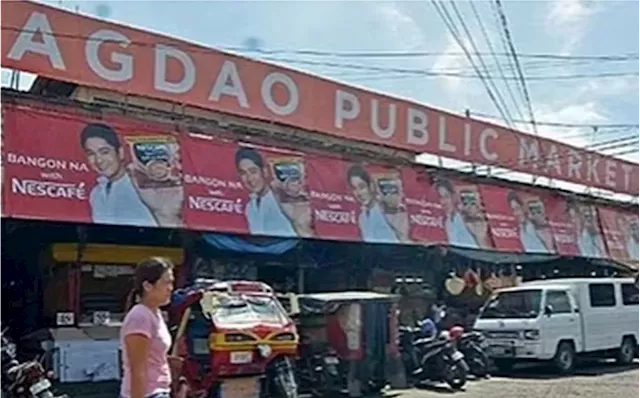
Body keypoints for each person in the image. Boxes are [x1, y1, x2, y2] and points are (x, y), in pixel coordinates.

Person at [80, 123, 183, 228]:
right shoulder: (96, 194)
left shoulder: (142, 184)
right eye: (91, 154)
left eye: (105, 152)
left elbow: (170, 221)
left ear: (120, 153)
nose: (99, 160)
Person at [120, 257, 175, 398]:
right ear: (148, 286)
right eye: (166, 283)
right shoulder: (140, 316)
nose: (170, 288)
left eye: (171, 282)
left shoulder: (155, 313)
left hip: (160, 390)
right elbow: (137, 369)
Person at [235, 148, 312, 237]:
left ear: (264, 171)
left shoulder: (282, 198)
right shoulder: (249, 208)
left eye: (253, 171)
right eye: (243, 173)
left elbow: (305, 230)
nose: (249, 178)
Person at [346, 165, 408, 243]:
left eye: (362, 187)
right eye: (354, 188)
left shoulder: (385, 208)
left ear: (371, 186)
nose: (359, 193)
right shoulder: (362, 218)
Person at [434, 179, 478, 248]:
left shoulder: (464, 216)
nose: (444, 202)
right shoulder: (447, 222)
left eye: (446, 196)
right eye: (441, 197)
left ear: (453, 196)